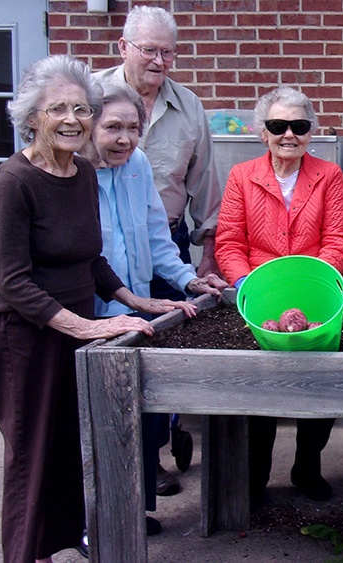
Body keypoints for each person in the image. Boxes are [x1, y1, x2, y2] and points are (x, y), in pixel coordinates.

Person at [0, 55, 194, 563]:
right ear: (32, 117)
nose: (73, 119)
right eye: (58, 109)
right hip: (20, 329)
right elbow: (13, 281)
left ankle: (64, 537)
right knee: (32, 450)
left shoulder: (79, 173)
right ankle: (27, 553)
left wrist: (135, 301)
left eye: (81, 108)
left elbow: (93, 258)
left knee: (73, 442)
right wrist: (87, 327)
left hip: (68, 320)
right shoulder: (13, 181)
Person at [81, 81, 228, 536]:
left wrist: (188, 279)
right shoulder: (75, 173)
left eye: (131, 128)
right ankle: (93, 523)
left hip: (139, 301)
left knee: (142, 422)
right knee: (97, 424)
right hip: (89, 311)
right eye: (112, 127)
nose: (123, 138)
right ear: (90, 128)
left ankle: (133, 511)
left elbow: (155, 238)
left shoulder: (137, 164)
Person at [95, 5, 223, 496]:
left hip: (160, 244)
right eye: (149, 49)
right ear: (123, 47)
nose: (160, 60)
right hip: (93, 260)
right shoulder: (86, 98)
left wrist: (200, 265)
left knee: (156, 357)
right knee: (107, 372)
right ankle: (113, 488)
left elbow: (204, 191)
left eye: (168, 51)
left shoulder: (187, 108)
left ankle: (152, 462)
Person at [215, 86, 343, 507]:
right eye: (278, 126)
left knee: (321, 391)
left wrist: (308, 278)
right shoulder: (243, 176)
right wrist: (247, 283)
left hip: (317, 297)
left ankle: (307, 469)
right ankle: (255, 478)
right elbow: (228, 243)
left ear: (310, 131)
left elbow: (339, 237)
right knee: (260, 392)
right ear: (263, 132)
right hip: (260, 297)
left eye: (298, 126)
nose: (288, 134)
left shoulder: (328, 175)